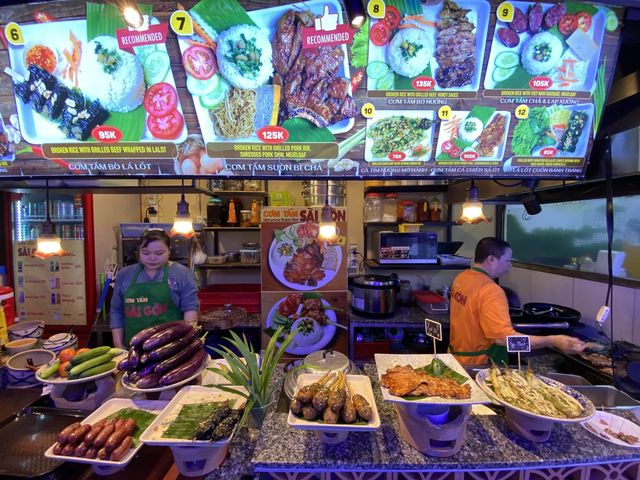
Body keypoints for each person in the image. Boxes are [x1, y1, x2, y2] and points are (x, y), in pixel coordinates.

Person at [448, 237, 586, 365]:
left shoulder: (462, 278)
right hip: (480, 364)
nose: (510, 267)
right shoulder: (490, 290)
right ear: (491, 259)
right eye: (508, 261)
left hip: (456, 358)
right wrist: (552, 340)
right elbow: (505, 340)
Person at [110, 229, 199, 349]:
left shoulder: (182, 274)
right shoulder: (124, 275)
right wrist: (119, 345)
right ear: (139, 252)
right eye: (146, 253)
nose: (152, 258)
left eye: (159, 253)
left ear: (169, 251)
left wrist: (186, 343)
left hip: (172, 347)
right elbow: (116, 311)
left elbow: (190, 309)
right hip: (133, 349)